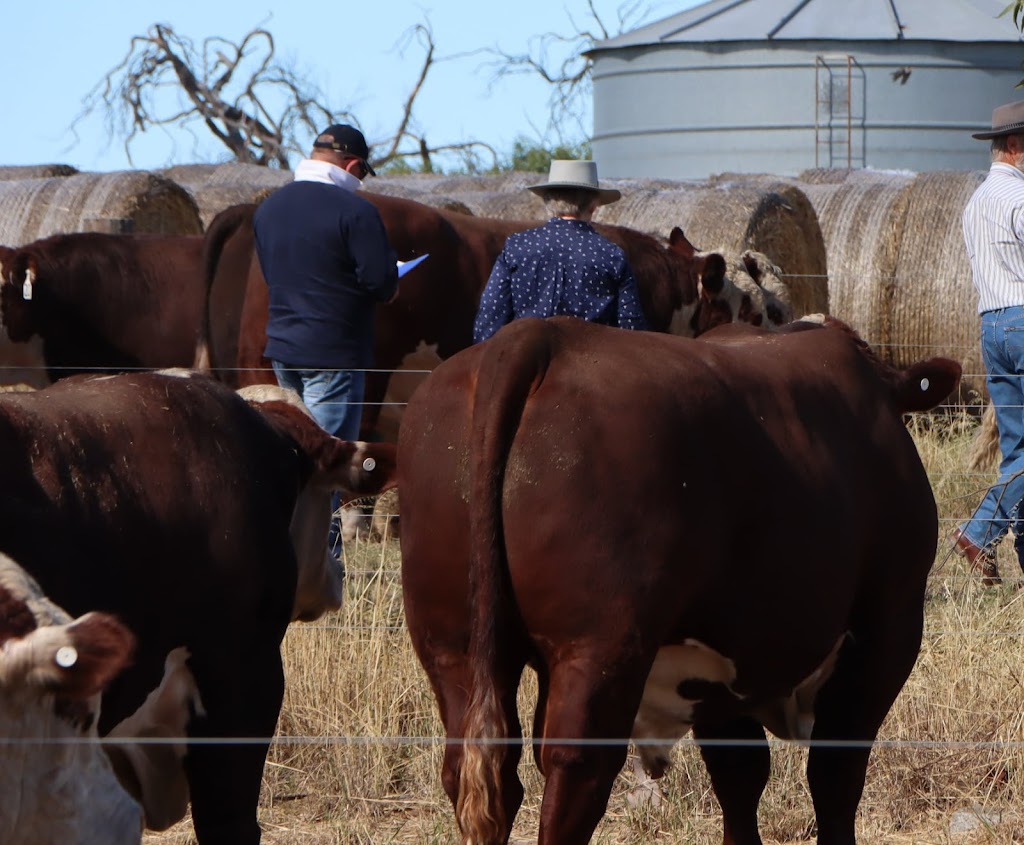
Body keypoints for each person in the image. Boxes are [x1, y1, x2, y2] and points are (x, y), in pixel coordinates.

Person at [253, 123, 398, 552]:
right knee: (326, 465)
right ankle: (320, 561)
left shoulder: (268, 209)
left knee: (295, 454)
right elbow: (382, 284)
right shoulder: (355, 212)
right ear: (353, 165)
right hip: (335, 351)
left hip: (283, 348)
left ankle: (285, 552)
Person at [953, 100, 1024, 586]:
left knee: (1019, 451)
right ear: (1016, 146)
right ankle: (979, 531)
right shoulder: (1020, 201)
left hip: (992, 327)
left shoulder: (975, 203)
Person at [473, 159, 649, 343]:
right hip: (592, 361)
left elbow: (489, 319)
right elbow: (631, 328)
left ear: (548, 201)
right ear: (593, 206)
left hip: (526, 355)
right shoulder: (612, 255)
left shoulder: (516, 246)